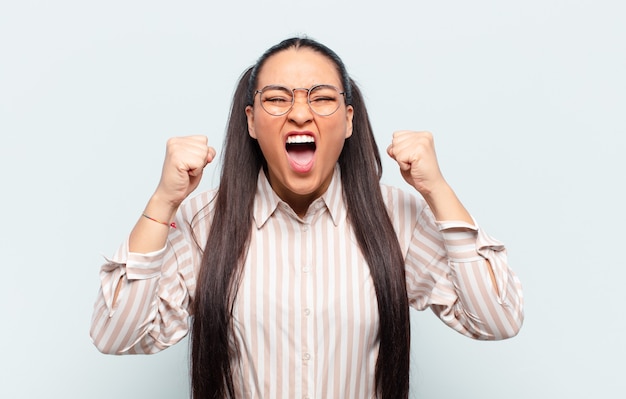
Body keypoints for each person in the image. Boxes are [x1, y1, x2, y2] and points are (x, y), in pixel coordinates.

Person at [90, 37, 524, 399]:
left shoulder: (397, 217)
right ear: (252, 122)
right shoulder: (204, 222)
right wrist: (164, 200)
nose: (300, 113)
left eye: (321, 98)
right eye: (277, 99)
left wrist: (438, 191)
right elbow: (117, 335)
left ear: (349, 120)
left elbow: (497, 318)